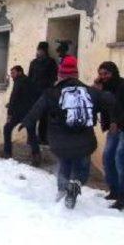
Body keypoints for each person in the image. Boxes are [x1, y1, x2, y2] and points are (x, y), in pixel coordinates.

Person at [20, 56, 117, 209]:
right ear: (76, 74)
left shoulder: (51, 93)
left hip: (60, 141)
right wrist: (100, 90)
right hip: (84, 141)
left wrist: (25, 122)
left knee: (64, 163)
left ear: (60, 75)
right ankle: (75, 184)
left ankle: (62, 191)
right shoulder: (90, 91)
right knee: (82, 168)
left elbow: (36, 110)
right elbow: (111, 101)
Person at [93, 61, 124, 209]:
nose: (103, 77)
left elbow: (117, 105)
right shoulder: (103, 87)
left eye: (106, 74)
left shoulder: (121, 85)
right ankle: (115, 191)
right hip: (114, 128)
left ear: (113, 73)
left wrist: (116, 122)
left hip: (121, 125)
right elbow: (97, 104)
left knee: (120, 157)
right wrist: (96, 89)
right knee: (107, 156)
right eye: (101, 74)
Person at [3, 65, 41, 166]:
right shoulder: (30, 81)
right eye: (11, 74)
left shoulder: (19, 81)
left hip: (18, 113)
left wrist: (10, 113)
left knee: (7, 128)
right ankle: (36, 156)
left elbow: (14, 97)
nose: (12, 76)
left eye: (13, 73)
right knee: (32, 134)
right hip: (30, 113)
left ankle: (7, 153)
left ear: (20, 72)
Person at [28, 41, 58, 145]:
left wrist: (48, 88)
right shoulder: (33, 63)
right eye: (38, 50)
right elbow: (30, 77)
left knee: (44, 116)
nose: (39, 52)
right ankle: (31, 138)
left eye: (41, 50)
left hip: (45, 92)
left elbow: (54, 77)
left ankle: (43, 138)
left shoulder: (51, 62)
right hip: (33, 93)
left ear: (45, 51)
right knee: (32, 115)